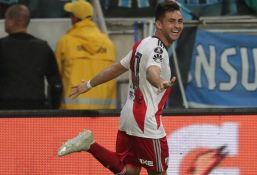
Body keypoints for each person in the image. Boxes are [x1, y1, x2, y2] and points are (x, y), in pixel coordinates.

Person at [57, 0, 183, 174]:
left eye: (179, 21)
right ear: (159, 24)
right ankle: (89, 145)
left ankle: (90, 145)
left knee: (128, 171)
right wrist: (159, 82)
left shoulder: (144, 43)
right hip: (146, 124)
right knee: (159, 172)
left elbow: (117, 67)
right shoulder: (158, 50)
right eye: (171, 21)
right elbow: (151, 71)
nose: (177, 26)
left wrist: (88, 84)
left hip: (128, 117)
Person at [55, 0, 117, 109]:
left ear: (74, 18)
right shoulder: (108, 44)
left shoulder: (65, 42)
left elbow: (56, 76)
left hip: (73, 110)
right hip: (104, 112)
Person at [0, 4, 63, 109]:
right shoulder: (43, 47)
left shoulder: (1, 46)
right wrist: (53, 109)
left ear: (11, 21)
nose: (5, 22)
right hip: (36, 108)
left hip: (5, 109)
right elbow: (56, 84)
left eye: (6, 18)